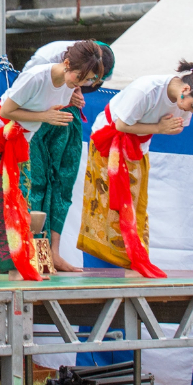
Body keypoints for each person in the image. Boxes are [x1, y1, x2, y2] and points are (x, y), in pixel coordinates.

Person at [0, 42, 105, 280]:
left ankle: (22, 262)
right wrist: (45, 116)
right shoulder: (37, 77)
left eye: (87, 80)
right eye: (79, 77)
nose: (79, 83)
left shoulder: (67, 84)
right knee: (1, 200)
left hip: (20, 141)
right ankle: (13, 268)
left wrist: (68, 102)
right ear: (67, 63)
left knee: (21, 200)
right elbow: (6, 110)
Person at [78, 61, 193, 278]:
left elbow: (178, 124)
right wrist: (159, 128)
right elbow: (121, 125)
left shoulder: (183, 100)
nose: (192, 112)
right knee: (112, 204)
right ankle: (129, 262)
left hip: (137, 148)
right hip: (109, 141)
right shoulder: (146, 89)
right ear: (185, 89)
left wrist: (165, 129)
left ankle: (136, 259)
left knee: (137, 206)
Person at [22, 39, 115, 272]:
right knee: (37, 182)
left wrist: (73, 92)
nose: (86, 85)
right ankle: (29, 250)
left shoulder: (83, 76)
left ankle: (53, 253)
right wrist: (63, 93)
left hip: (68, 121)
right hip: (40, 118)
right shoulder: (46, 58)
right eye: (87, 79)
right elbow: (24, 93)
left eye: (93, 82)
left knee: (63, 185)